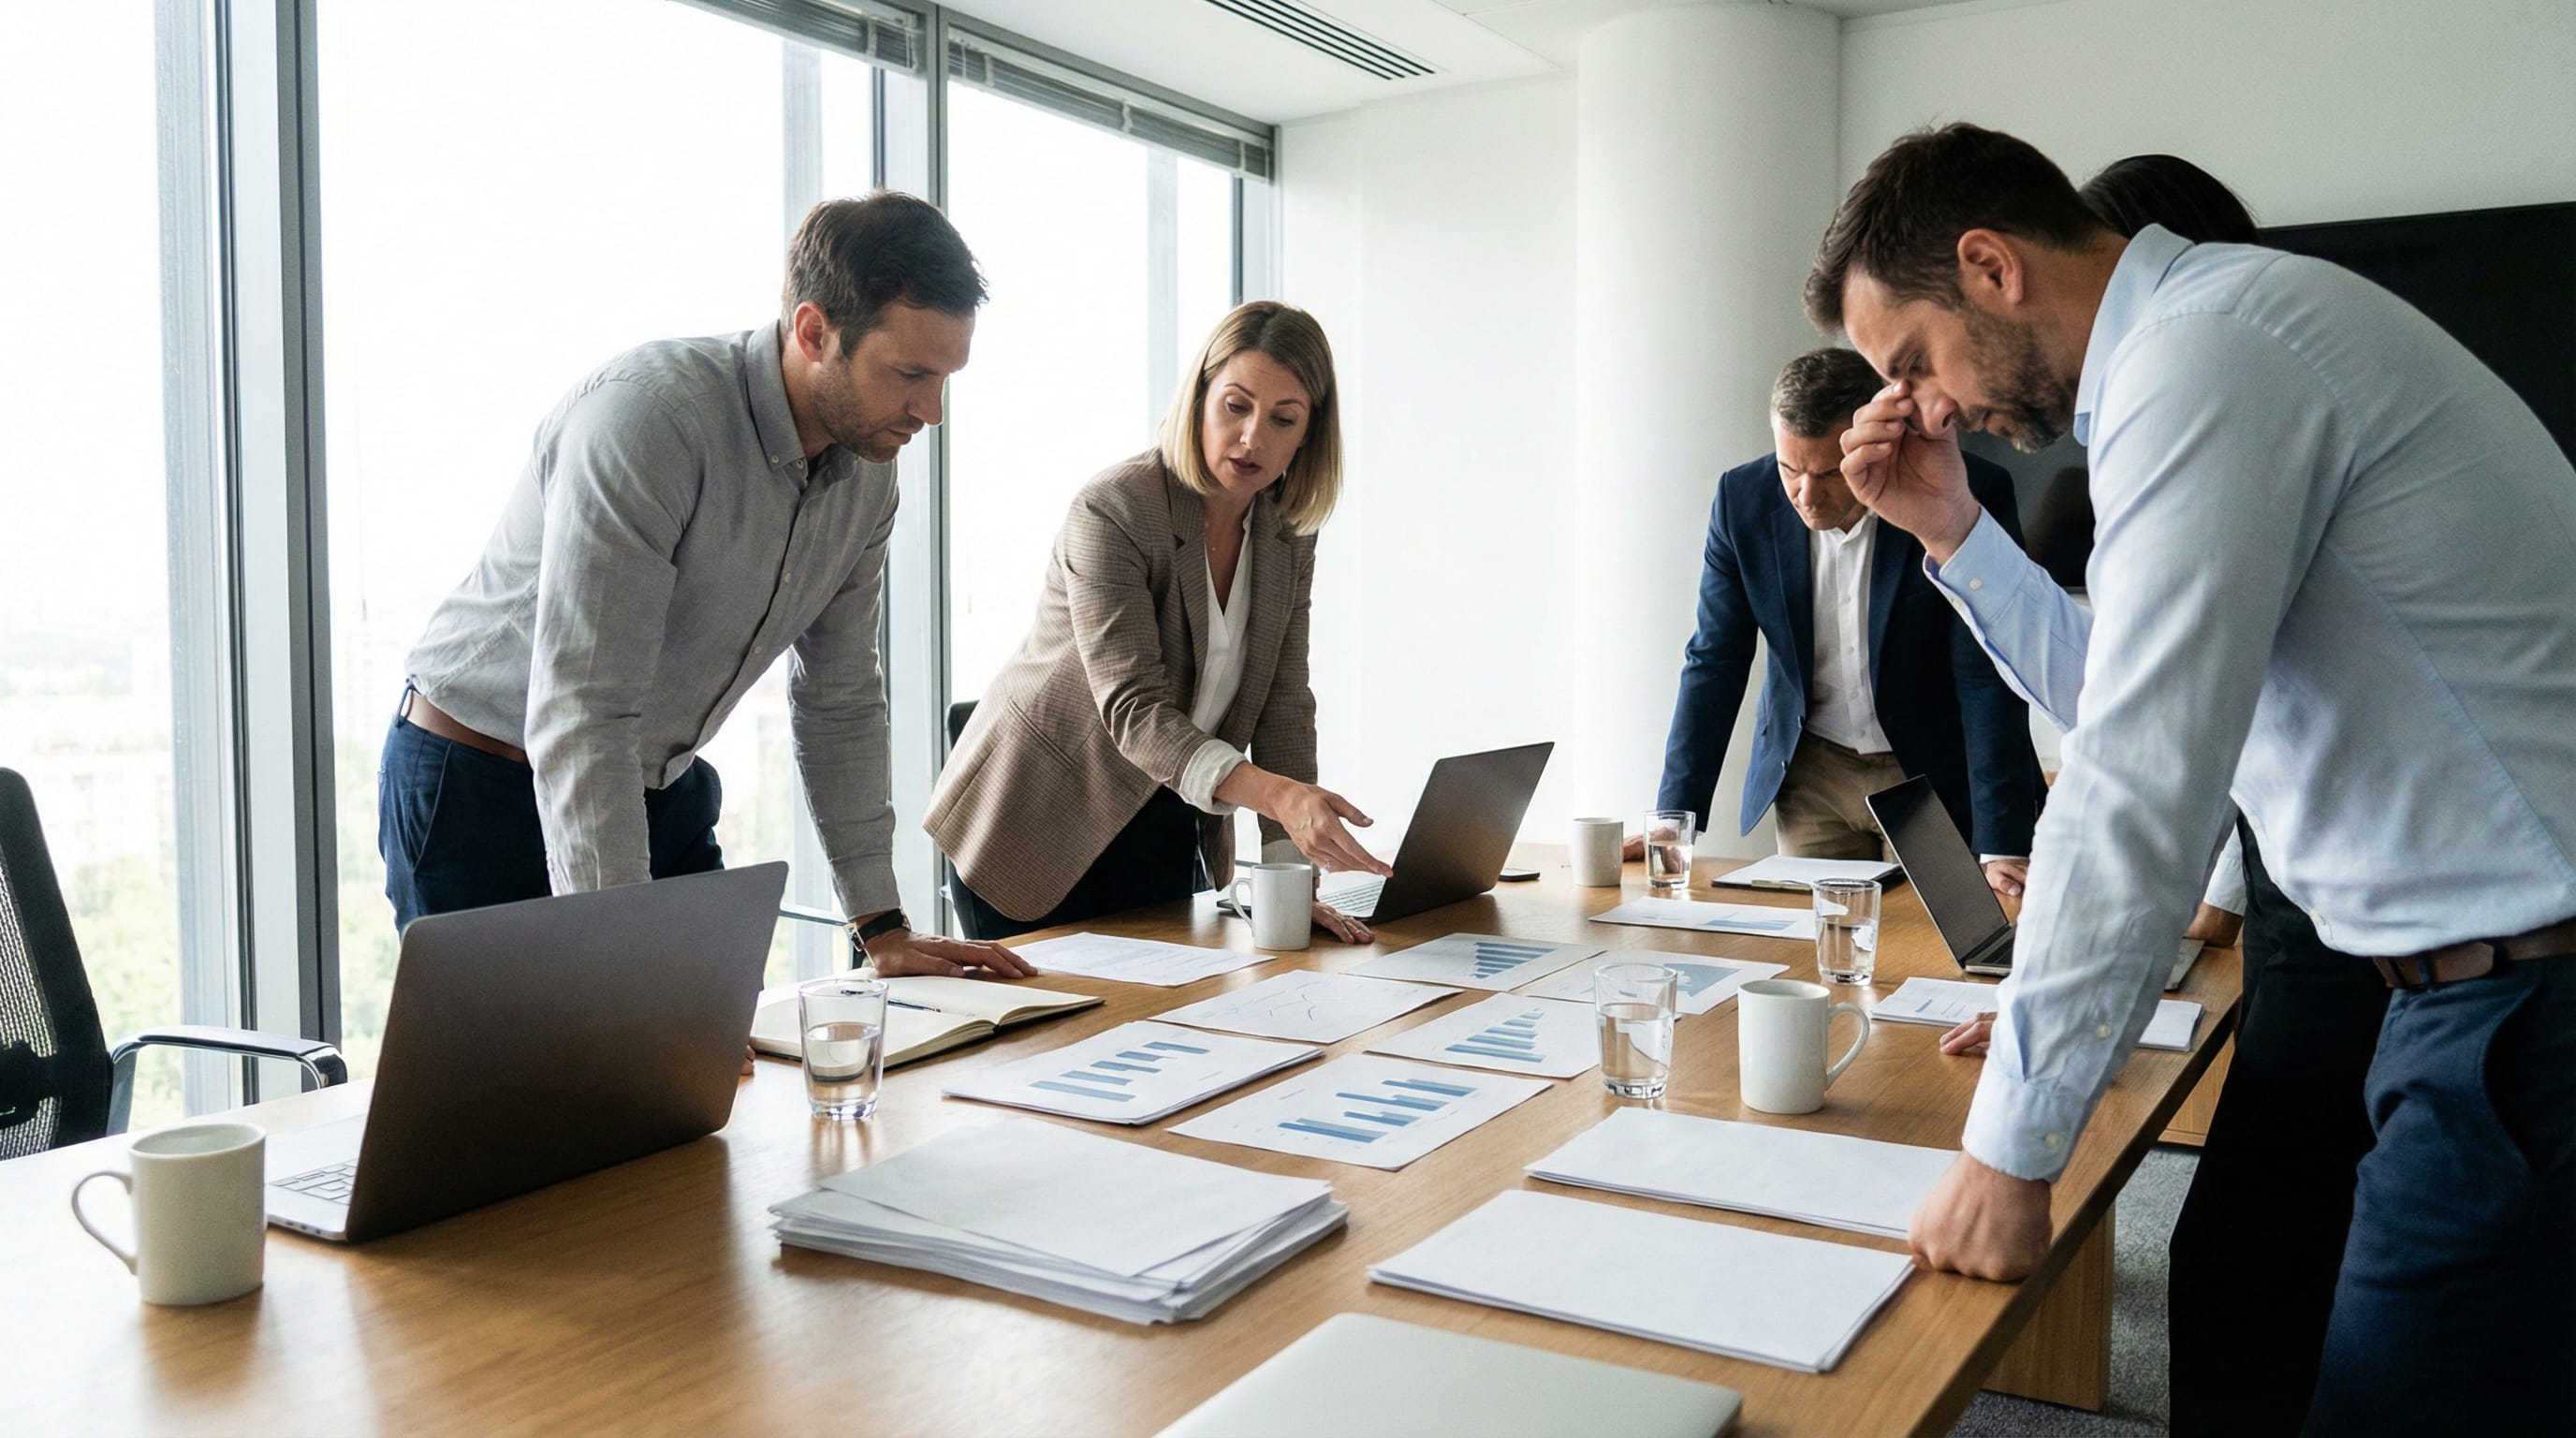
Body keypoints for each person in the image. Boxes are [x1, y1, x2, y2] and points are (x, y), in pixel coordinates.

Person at [1810, 122, 2576, 1432]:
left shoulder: (2207, 353)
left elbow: (2140, 770)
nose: (1922, 407)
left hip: (2526, 1016)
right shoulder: (2218, 334)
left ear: (1990, 266)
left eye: (1912, 364)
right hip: (2479, 999)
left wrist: (2009, 1149)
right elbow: (2127, 689)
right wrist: (1948, 520)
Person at [384, 193, 1032, 987]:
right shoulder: (649, 421)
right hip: (480, 784)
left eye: (945, 379)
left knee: (704, 1071)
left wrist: (880, 925)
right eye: (909, 375)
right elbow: (583, 715)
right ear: (813, 332)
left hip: (655, 781)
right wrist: (626, 968)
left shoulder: (868, 476)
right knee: (524, 1095)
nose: (930, 413)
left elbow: (839, 698)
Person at [925, 301, 1388, 944]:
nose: (1254, 438)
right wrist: (1279, 797)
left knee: (1168, 1026)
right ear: (1199, 396)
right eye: (1235, 405)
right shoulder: (1113, 509)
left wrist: (1289, 880)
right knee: (1062, 1037)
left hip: (1167, 816)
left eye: (1284, 419)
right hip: (1034, 823)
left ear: (1308, 435)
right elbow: (1134, 709)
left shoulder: (1287, 533)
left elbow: (1285, 704)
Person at [1636, 347, 2042, 895]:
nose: (1804, 494)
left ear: (1878, 443)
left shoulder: (1964, 493)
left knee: (1939, 954)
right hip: (1812, 779)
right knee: (1824, 956)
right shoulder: (1742, 500)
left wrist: (2001, 841)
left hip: (1930, 774)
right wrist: (1674, 816)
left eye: (1827, 473)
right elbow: (1715, 658)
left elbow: (1985, 670)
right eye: (1789, 469)